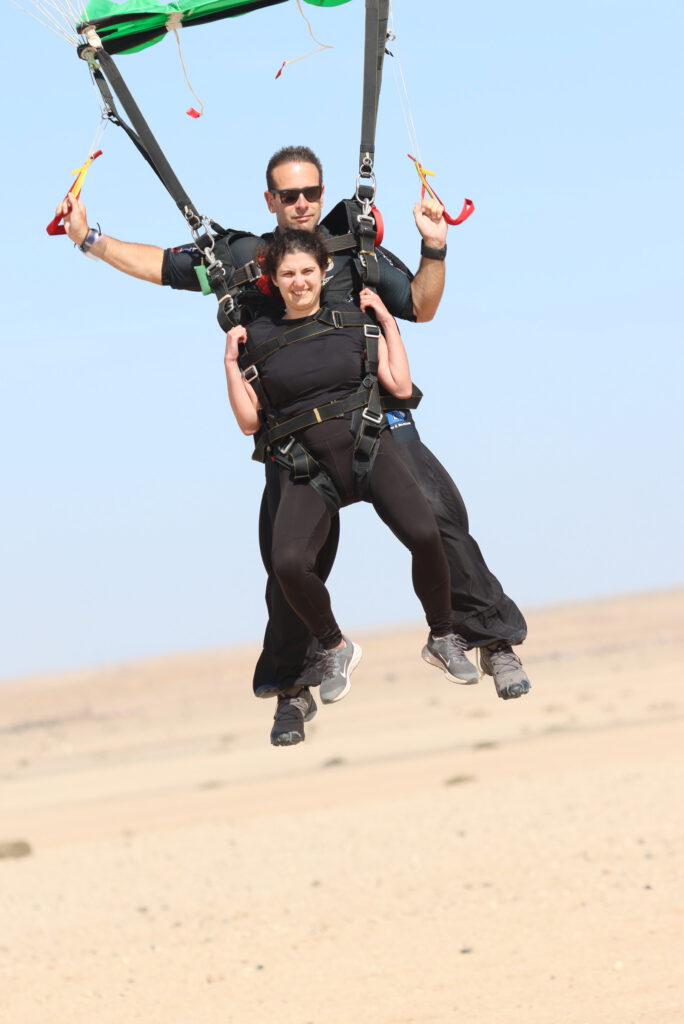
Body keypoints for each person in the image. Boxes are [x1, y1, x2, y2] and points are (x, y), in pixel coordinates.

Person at [56, 144, 530, 746]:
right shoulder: (241, 259)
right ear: (270, 200)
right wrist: (88, 237)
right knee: (286, 565)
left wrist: (434, 244)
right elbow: (159, 265)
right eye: (290, 195)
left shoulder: (350, 247)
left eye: (311, 192)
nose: (303, 204)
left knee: (440, 517)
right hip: (296, 440)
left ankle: (488, 642)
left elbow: (423, 305)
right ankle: (294, 686)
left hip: (373, 422)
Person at [225, 229, 481, 741]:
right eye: (288, 275)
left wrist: (386, 318)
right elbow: (250, 422)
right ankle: (334, 646)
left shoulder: (356, 322)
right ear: (274, 282)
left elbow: (401, 388)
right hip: (306, 466)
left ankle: (444, 636)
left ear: (322, 273)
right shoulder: (260, 337)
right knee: (288, 564)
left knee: (427, 532)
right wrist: (231, 363)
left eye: (307, 272)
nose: (299, 282)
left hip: (367, 450)